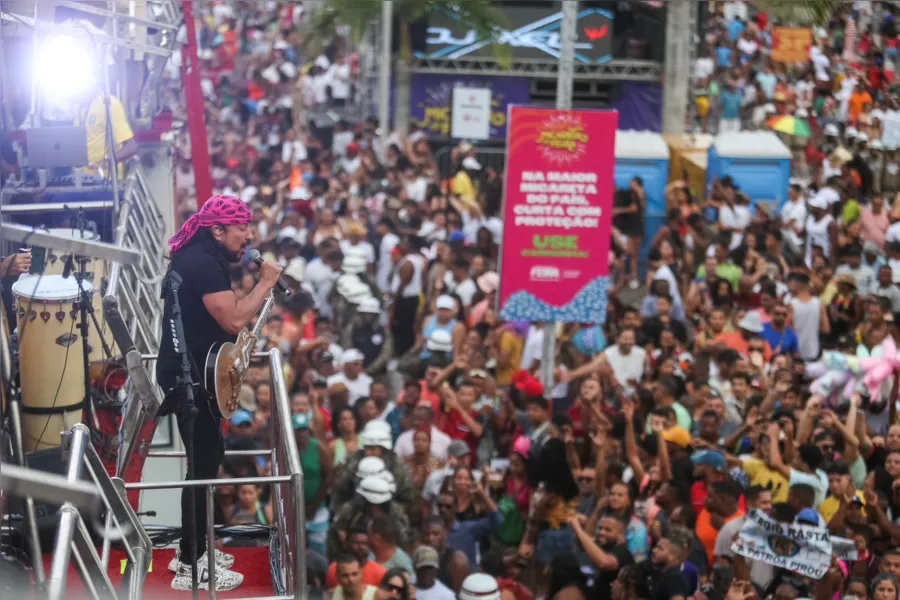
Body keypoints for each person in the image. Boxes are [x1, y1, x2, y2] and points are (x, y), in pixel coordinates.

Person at [157, 196, 282, 591]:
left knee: (207, 459)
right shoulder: (203, 264)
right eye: (241, 227)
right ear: (217, 231)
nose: (249, 235)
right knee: (203, 464)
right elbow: (232, 319)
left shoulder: (200, 257)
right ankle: (192, 564)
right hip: (188, 377)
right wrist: (265, 283)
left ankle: (193, 547)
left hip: (197, 372)